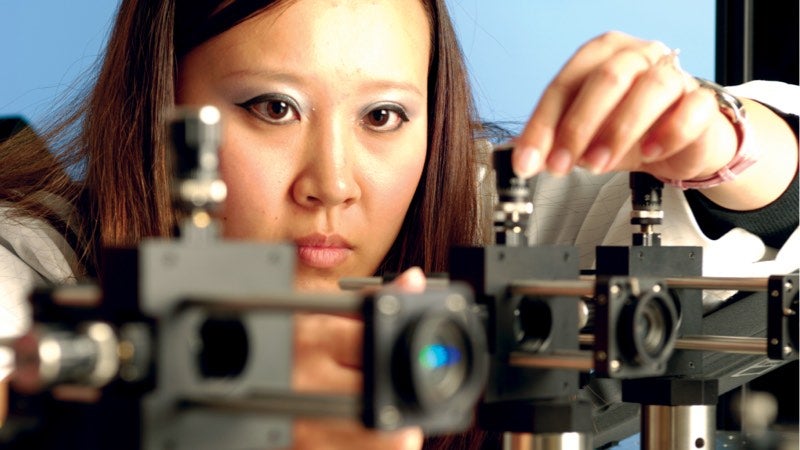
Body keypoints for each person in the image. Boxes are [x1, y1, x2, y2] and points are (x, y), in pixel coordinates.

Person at [0, 0, 797, 449]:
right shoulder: (32, 270)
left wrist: (724, 142)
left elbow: (759, 234)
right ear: (162, 111)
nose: (334, 184)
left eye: (384, 115)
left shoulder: (490, 220)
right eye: (273, 108)